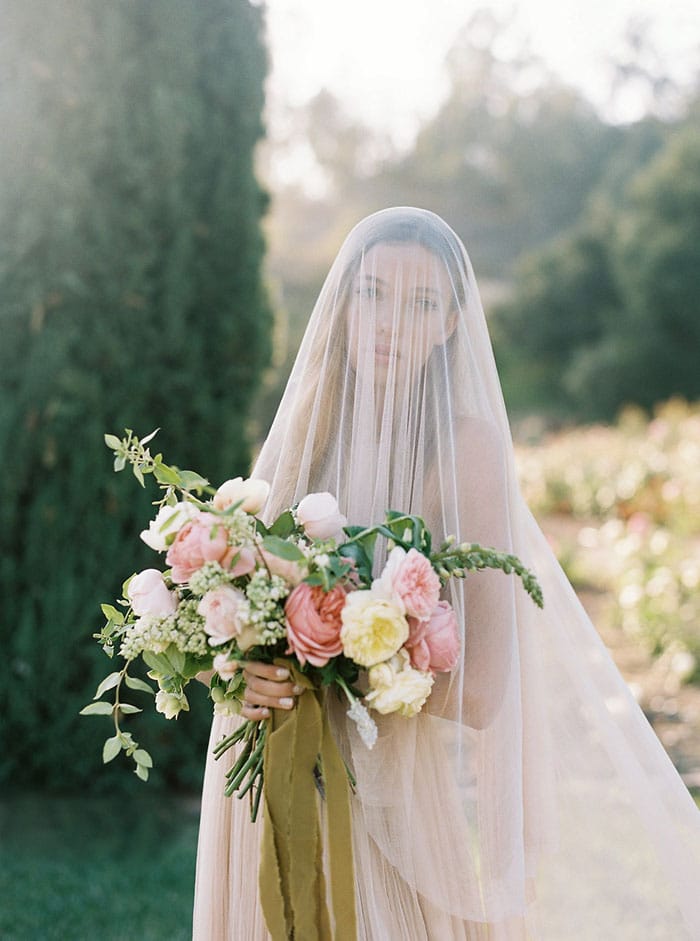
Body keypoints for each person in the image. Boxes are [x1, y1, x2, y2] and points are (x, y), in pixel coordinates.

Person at [193, 207, 700, 940]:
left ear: (452, 322)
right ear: (342, 304)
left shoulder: (466, 451)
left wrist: (331, 656)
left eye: (422, 303)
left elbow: (486, 691)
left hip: (382, 796)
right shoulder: (304, 424)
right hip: (256, 766)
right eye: (371, 293)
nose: (390, 323)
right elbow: (227, 610)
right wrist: (235, 668)